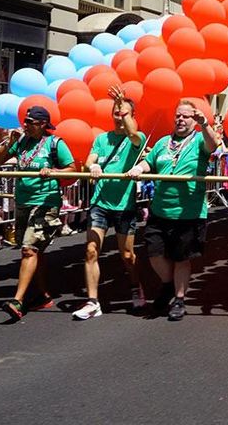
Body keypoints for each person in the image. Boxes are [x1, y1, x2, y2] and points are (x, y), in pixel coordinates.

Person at [127, 100, 218, 321]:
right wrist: (138, 168)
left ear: (193, 120)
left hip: (189, 213)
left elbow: (213, 145)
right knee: (155, 253)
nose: (180, 120)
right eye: (178, 115)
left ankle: (179, 299)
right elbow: (150, 163)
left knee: (181, 258)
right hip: (160, 211)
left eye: (185, 116)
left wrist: (204, 124)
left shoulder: (198, 140)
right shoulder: (163, 142)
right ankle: (168, 285)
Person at [0, 105, 77, 320]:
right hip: (23, 202)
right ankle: (42, 295)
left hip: (45, 203)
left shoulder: (55, 143)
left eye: (30, 122)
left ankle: (18, 301)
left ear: (42, 124)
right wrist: (10, 141)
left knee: (29, 250)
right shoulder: (21, 142)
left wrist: (54, 171)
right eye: (25, 121)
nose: (25, 125)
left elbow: (72, 168)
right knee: (32, 252)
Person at [73, 88, 146, 320]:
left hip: (124, 205)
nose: (118, 115)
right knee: (91, 250)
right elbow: (89, 161)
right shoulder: (102, 139)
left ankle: (136, 286)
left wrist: (123, 105)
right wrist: (92, 167)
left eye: (122, 112)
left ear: (131, 114)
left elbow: (133, 132)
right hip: (100, 203)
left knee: (127, 255)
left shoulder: (137, 138)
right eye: (115, 112)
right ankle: (93, 301)